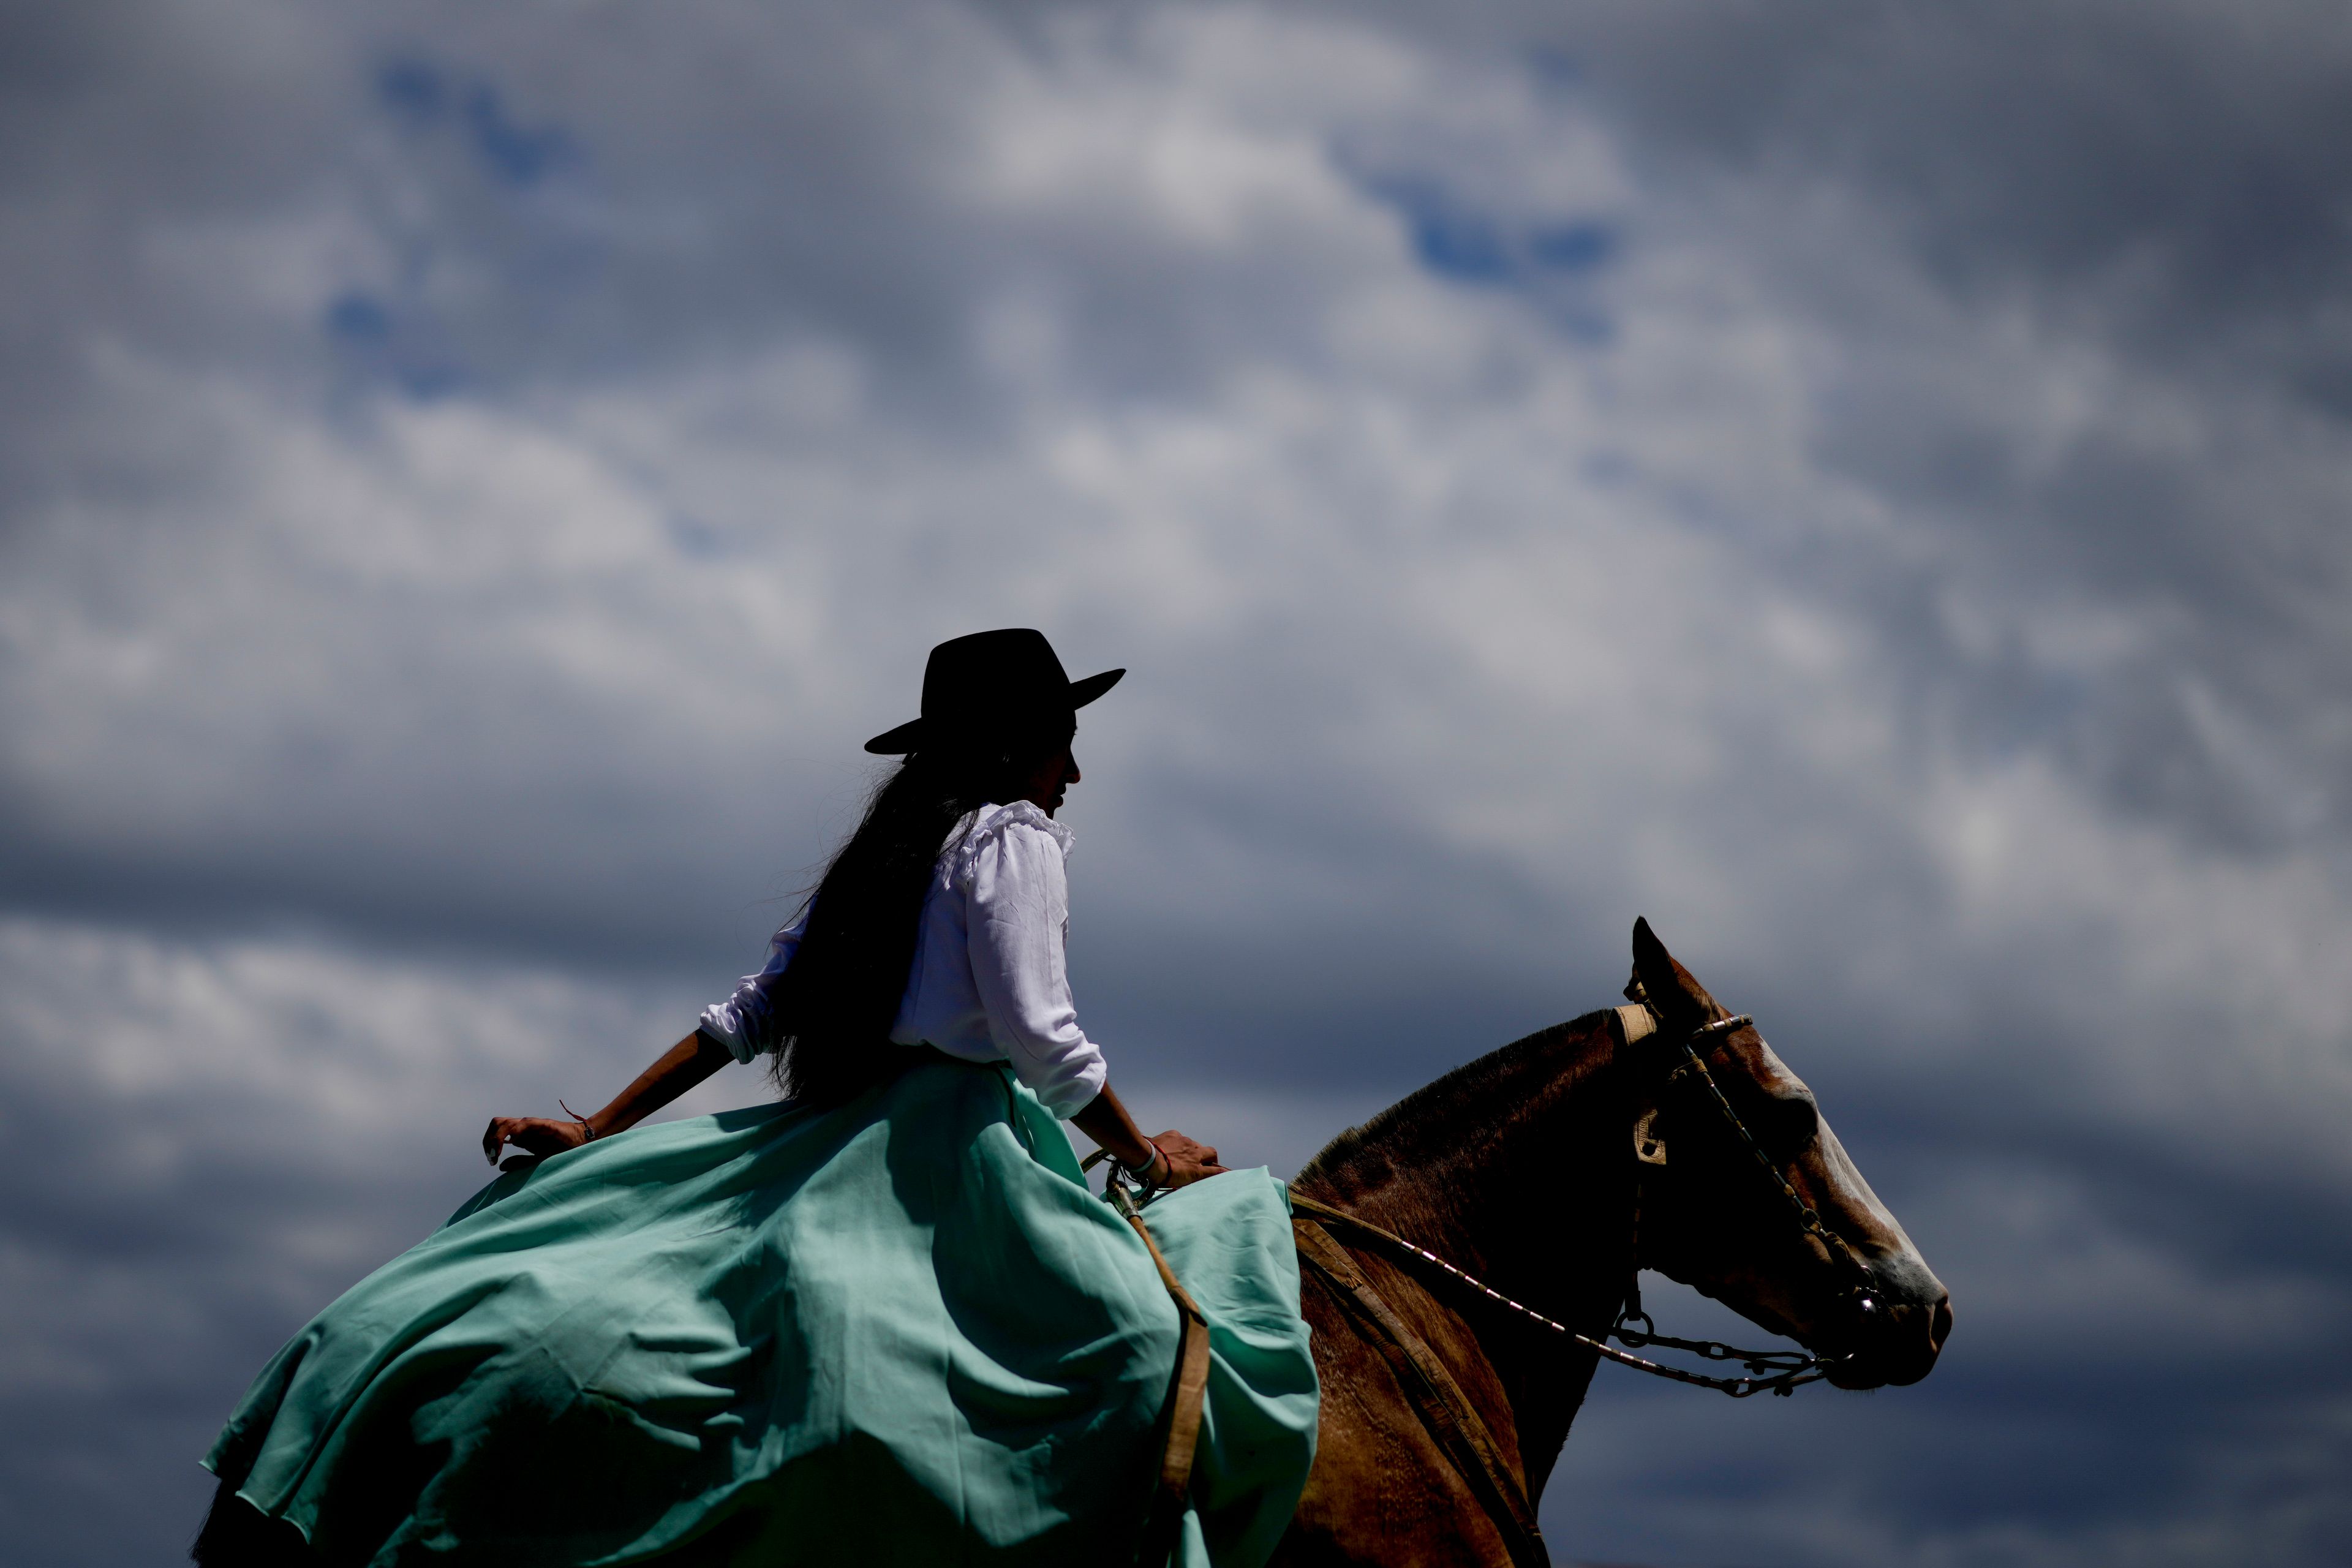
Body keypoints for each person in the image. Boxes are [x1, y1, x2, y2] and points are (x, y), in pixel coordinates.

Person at [194, 629, 1319, 1568]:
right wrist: (1150, 1151)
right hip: (951, 1156)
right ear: (1018, 746)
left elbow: (748, 1013)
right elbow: (1039, 1032)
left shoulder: (888, 855)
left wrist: (598, 1128)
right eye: (1064, 747)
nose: (1074, 775)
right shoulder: (1010, 841)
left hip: (833, 1139)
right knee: (1130, 1353)